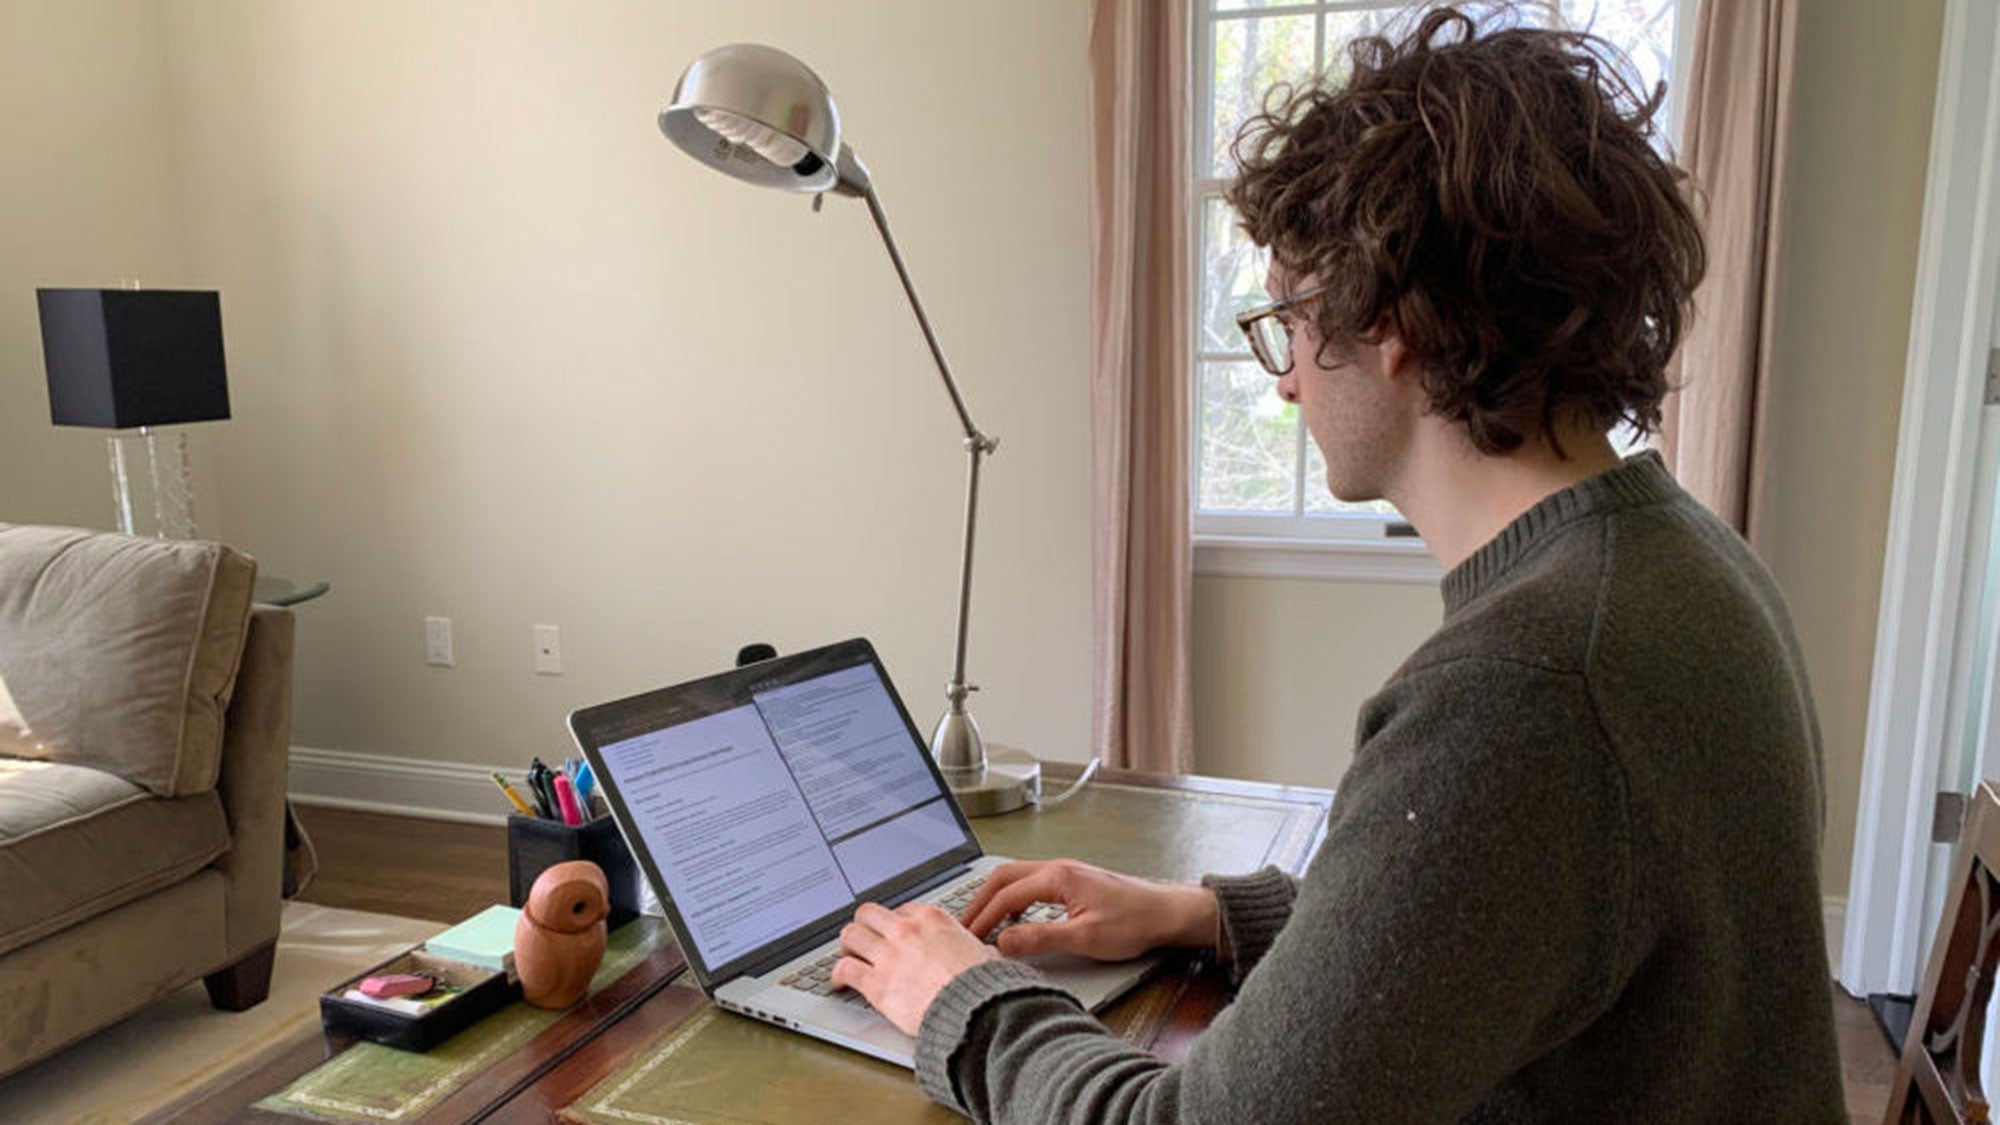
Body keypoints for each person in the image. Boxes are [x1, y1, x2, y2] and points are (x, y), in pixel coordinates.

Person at [828, 6, 1848, 1121]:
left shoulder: (1522, 688)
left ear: (1391, 322)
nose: (1283, 382)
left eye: (1286, 320)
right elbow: (1511, 921)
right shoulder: (1678, 557)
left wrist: (961, 998)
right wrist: (1206, 915)